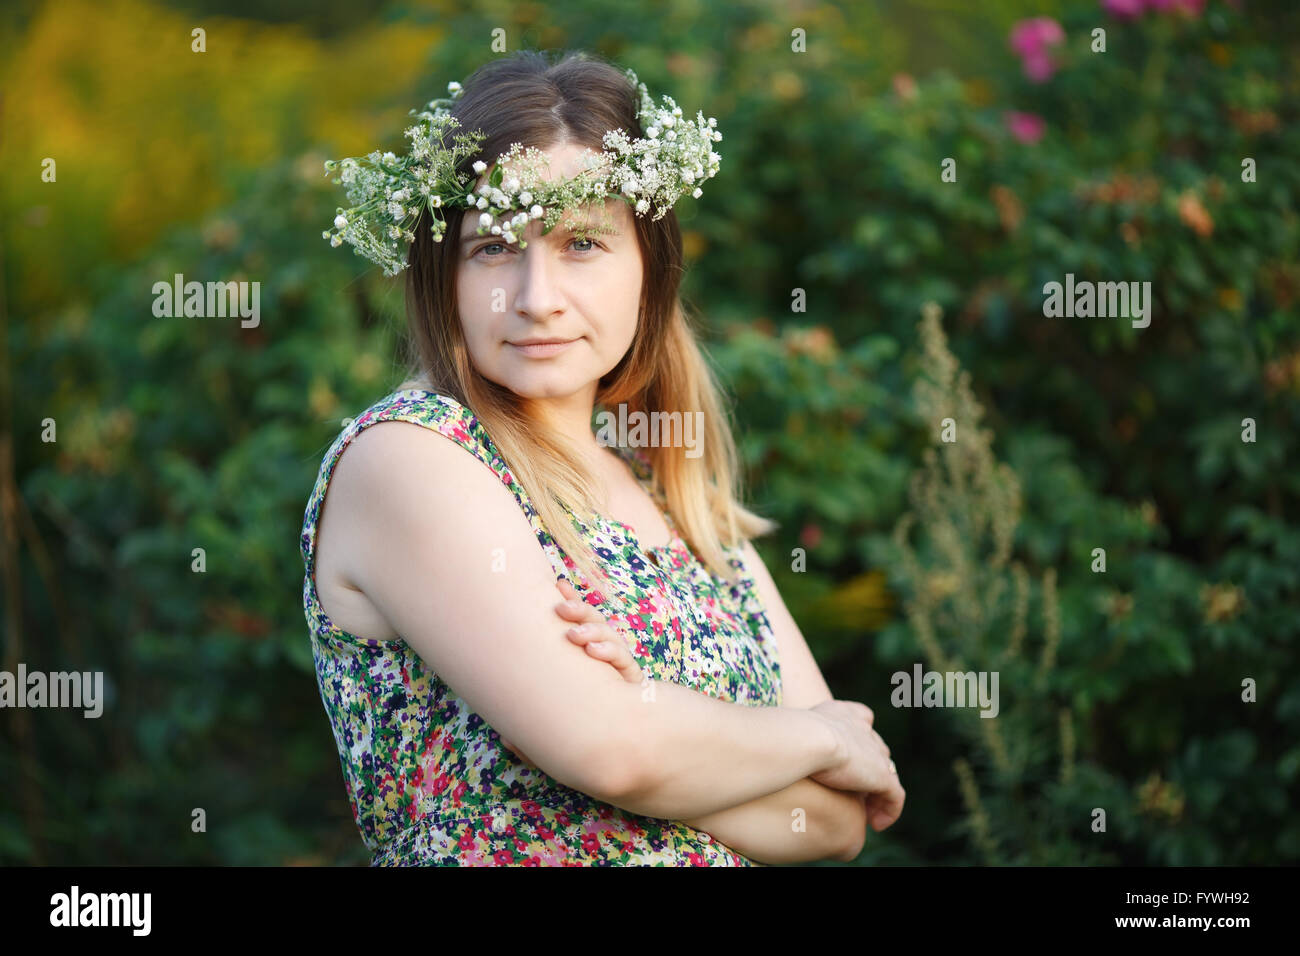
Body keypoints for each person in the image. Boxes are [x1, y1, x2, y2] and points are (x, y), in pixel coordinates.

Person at [301, 48, 904, 866]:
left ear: (648, 267)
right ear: (442, 273)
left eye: (582, 243)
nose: (537, 297)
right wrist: (808, 737)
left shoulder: (671, 489)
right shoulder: (412, 458)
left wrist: (661, 719)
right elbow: (614, 753)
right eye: (493, 248)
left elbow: (834, 826)